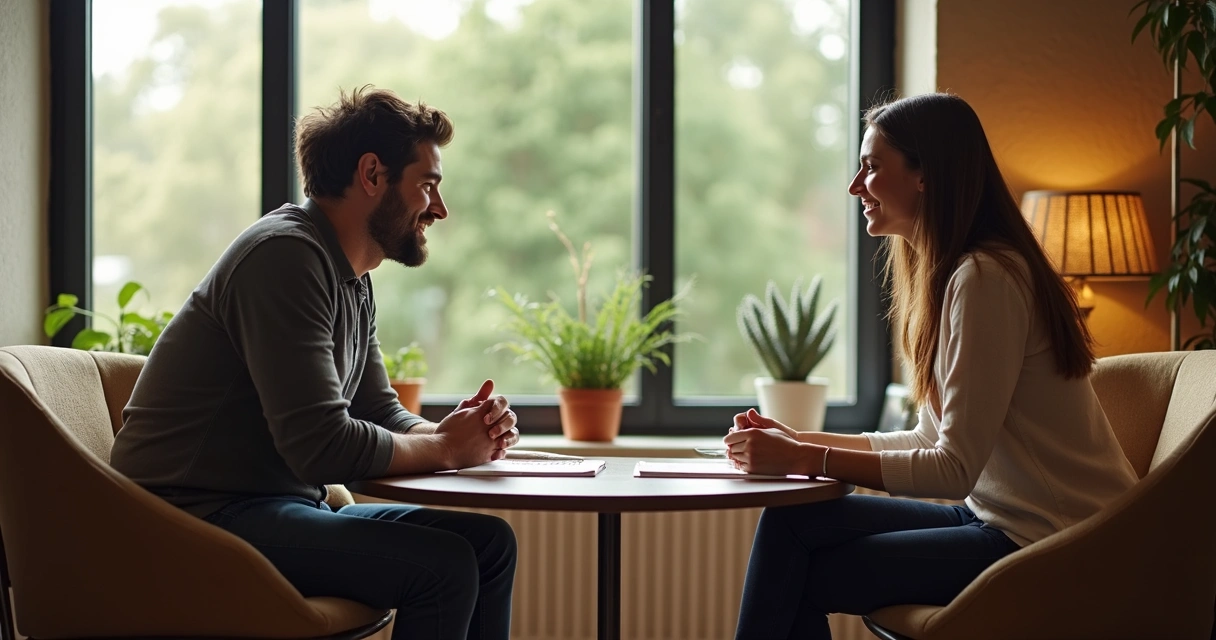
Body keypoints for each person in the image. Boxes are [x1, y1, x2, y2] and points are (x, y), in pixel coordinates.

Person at [110, 86, 520, 640]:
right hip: (191, 522)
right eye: (427, 185)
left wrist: (456, 432)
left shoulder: (350, 278)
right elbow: (319, 445)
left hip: (271, 509)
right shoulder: (285, 256)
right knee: (440, 567)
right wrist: (446, 449)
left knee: (489, 545)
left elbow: (376, 409)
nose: (440, 209)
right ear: (372, 174)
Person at [726, 93, 1138, 640]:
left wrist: (804, 455)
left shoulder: (986, 278)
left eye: (871, 167)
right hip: (996, 517)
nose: (855, 186)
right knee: (791, 525)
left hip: (1058, 540)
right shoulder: (954, 274)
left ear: (926, 176)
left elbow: (952, 468)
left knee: (809, 572)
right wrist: (796, 439)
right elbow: (928, 436)